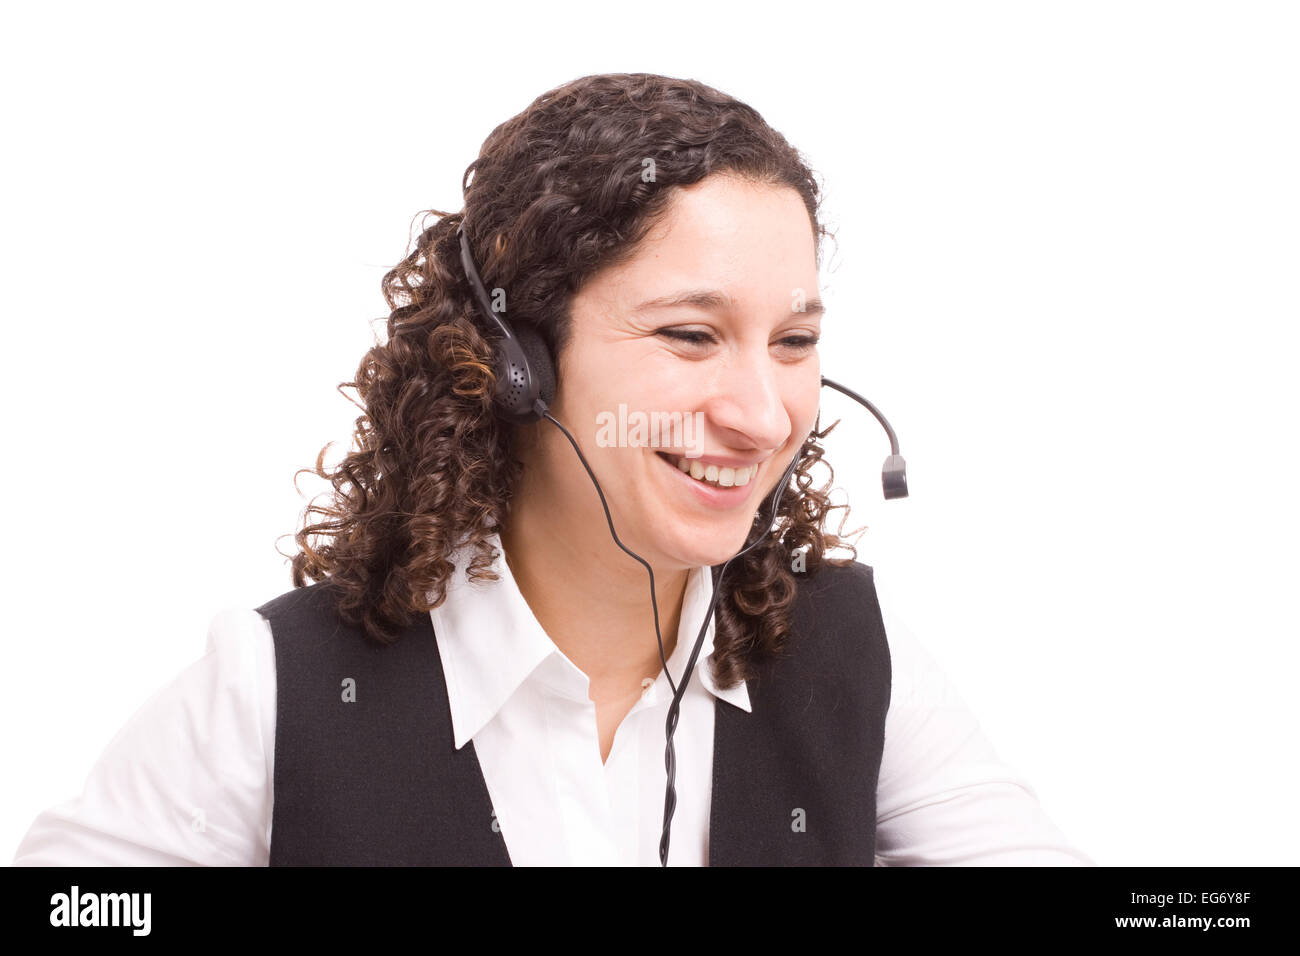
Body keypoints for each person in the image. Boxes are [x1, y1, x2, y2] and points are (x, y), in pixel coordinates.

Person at [12, 72, 1093, 867]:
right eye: (687, 334)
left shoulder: (855, 659)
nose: (764, 414)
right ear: (516, 362)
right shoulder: (275, 687)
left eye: (794, 343)